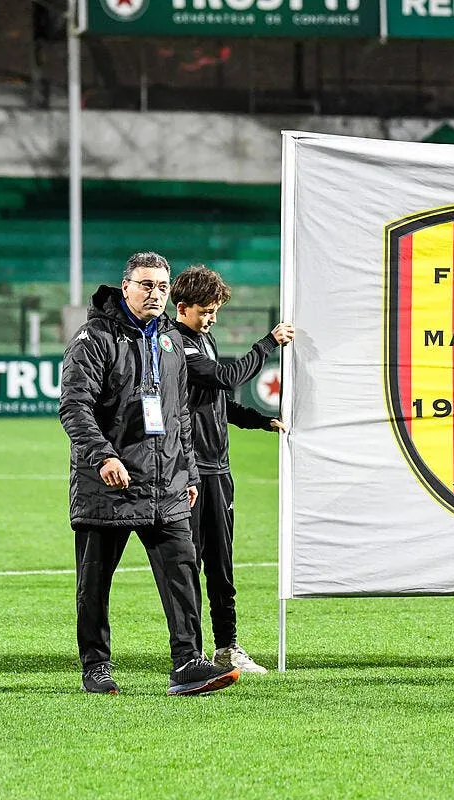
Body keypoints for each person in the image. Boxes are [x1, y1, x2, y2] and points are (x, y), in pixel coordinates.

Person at [60, 251, 241, 696]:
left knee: (183, 574)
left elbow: (179, 412)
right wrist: (104, 456)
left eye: (162, 286)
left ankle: (187, 664)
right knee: (96, 581)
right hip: (109, 485)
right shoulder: (93, 338)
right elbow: (74, 406)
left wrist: (192, 473)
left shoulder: (171, 340)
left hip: (168, 484)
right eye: (146, 285)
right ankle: (96, 666)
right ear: (125, 288)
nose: (155, 293)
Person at [171, 265, 295, 675]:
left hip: (219, 471)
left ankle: (227, 648)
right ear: (182, 306)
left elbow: (217, 404)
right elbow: (225, 378)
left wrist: (260, 420)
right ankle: (192, 655)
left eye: (216, 312)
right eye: (205, 311)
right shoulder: (175, 344)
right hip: (189, 473)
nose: (211, 319)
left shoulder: (204, 339)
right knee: (190, 565)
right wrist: (267, 344)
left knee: (222, 565)